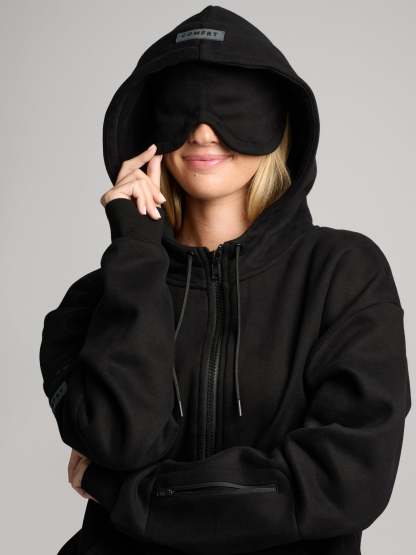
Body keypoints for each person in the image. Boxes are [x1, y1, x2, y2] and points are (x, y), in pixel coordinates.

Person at [39, 5, 411, 555]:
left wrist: (126, 491)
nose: (203, 130)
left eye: (233, 106)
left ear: (280, 125)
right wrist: (136, 252)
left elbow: (344, 483)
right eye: (182, 107)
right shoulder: (93, 301)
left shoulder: (344, 275)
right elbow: (126, 437)